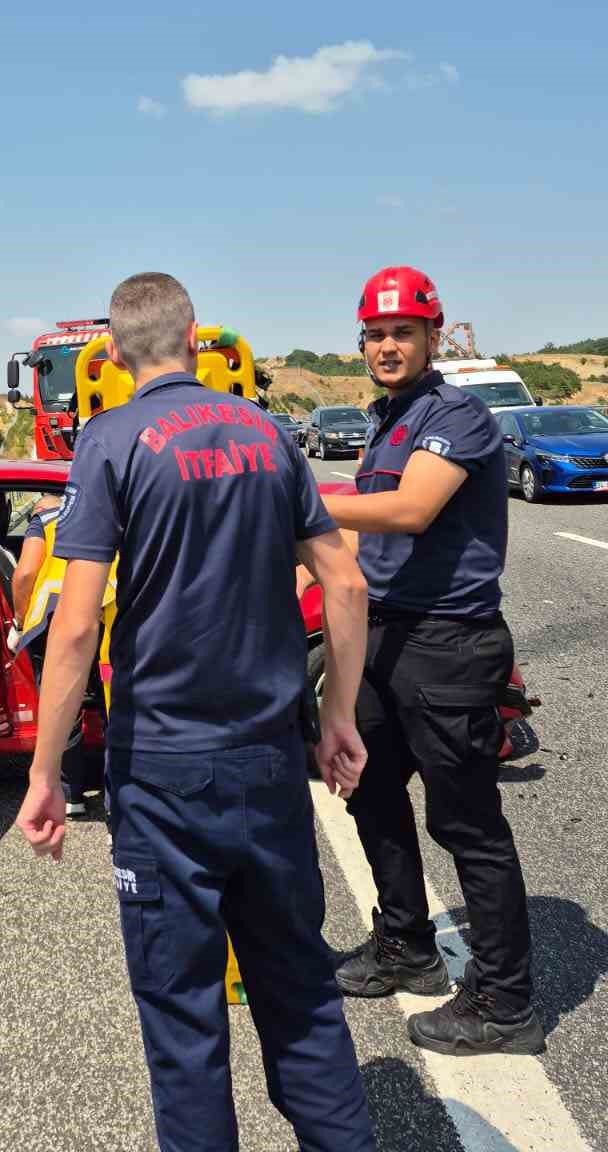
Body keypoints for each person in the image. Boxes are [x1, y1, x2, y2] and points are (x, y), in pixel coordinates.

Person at [15, 272, 376, 1152]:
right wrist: (338, 715)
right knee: (299, 989)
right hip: (268, 760)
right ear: (191, 339)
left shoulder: (109, 442)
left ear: (111, 352)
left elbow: (71, 626)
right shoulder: (268, 435)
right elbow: (347, 581)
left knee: (183, 1019)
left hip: (166, 769)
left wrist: (46, 770)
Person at [323, 265, 542, 1056]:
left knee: (468, 823)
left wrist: (296, 503)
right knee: (368, 787)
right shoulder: (388, 418)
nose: (387, 346)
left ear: (432, 335)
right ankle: (406, 944)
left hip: (449, 645)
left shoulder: (461, 416)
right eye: (376, 335)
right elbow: (351, 539)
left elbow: (410, 511)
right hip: (386, 636)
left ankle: (504, 1001)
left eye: (402, 333)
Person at [11, 494, 104, 817]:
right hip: (106, 615)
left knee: (63, 703)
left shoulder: (42, 522)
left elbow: (24, 575)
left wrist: (18, 622)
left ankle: (70, 794)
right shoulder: (99, 512)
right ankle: (116, 799)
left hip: (53, 622)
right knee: (112, 705)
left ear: (40, 508)